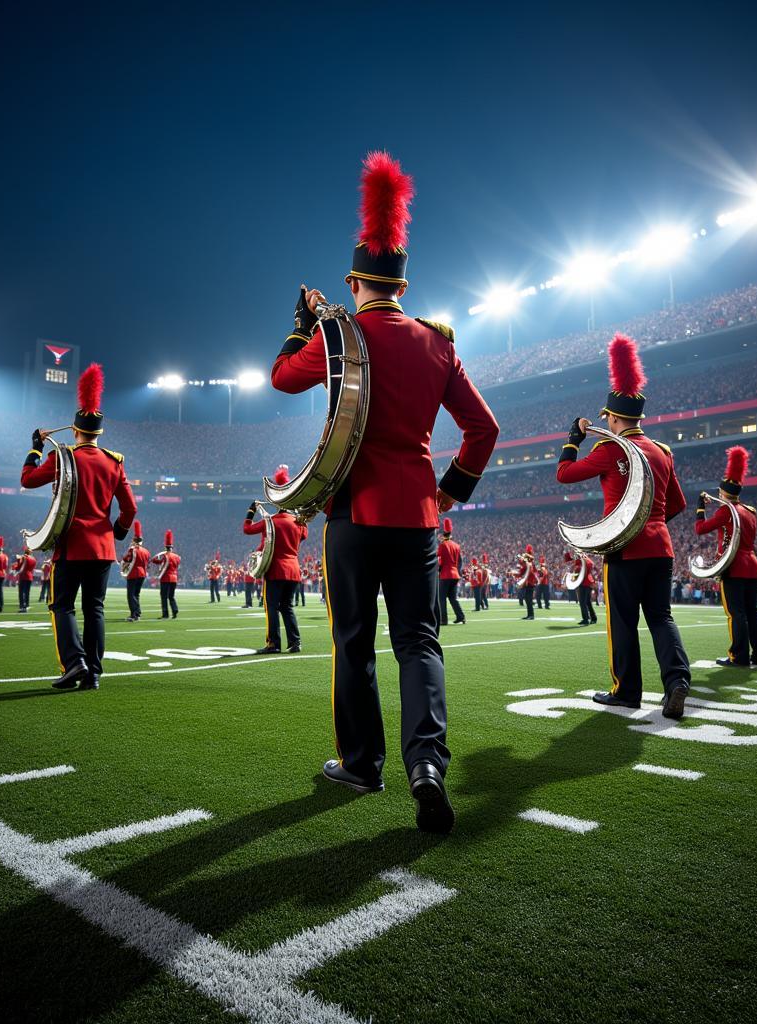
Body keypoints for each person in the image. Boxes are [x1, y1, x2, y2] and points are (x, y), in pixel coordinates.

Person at [271, 152, 498, 833]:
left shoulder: (342, 337)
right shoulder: (438, 343)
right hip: (418, 518)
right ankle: (427, 765)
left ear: (352, 281)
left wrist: (307, 325)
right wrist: (450, 492)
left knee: (353, 642)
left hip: (352, 515)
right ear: (402, 283)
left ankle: (363, 765)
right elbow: (484, 429)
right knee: (420, 644)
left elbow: (282, 377)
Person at [556, 334, 691, 719]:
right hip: (660, 547)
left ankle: (627, 691)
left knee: (623, 622)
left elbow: (564, 474)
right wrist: (651, 526)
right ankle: (677, 680)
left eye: (608, 419)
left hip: (624, 549)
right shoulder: (662, 452)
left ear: (614, 418)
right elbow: (677, 504)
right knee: (661, 617)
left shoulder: (610, 448)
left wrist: (573, 438)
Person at [21, 363, 137, 691]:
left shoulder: (63, 457)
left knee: (61, 605)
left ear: (74, 431)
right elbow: (130, 507)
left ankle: (75, 663)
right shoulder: (115, 462)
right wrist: (118, 530)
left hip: (71, 545)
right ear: (99, 433)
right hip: (102, 548)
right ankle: (94, 674)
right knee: (95, 609)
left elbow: (27, 480)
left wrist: (35, 447)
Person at [695, 446, 757, 667]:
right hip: (752, 565)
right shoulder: (750, 511)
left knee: (736, 613)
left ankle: (739, 656)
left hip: (734, 566)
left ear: (722, 493)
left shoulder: (726, 510)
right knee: (753, 612)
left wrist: (700, 509)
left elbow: (700, 529)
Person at [243, 470, 308, 653]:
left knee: (271, 606)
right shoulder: (298, 522)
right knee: (287, 606)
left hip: (276, 569)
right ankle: (295, 643)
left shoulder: (270, 521)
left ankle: (273, 644)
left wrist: (251, 511)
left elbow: (247, 529)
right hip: (294, 570)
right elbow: (304, 535)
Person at [437, 517, 465, 625]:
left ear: (442, 535)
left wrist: (438, 571)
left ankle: (443, 620)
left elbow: (440, 562)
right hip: (455, 574)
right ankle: (461, 617)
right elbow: (460, 561)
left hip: (445, 575)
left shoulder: (442, 545)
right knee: (453, 598)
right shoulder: (456, 546)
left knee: (442, 598)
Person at [122, 521, 149, 621]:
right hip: (142, 574)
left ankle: (134, 614)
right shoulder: (146, 551)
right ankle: (138, 612)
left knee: (131, 594)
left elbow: (126, 559)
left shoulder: (132, 549)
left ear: (134, 540)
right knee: (136, 594)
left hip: (133, 573)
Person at [154, 530, 181, 619]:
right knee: (171, 596)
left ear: (166, 548)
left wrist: (160, 554)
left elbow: (155, 560)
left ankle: (165, 614)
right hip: (174, 578)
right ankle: (174, 610)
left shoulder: (165, 556)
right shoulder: (177, 557)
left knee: (164, 597)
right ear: (172, 548)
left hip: (166, 578)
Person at [566, 551, 598, 624]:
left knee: (582, 602)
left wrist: (571, 577)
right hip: (589, 582)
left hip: (583, 584)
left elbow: (575, 577)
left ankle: (586, 619)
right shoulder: (588, 561)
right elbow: (592, 564)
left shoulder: (579, 566)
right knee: (588, 602)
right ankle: (593, 618)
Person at [516, 545, 538, 620]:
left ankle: (531, 615)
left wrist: (524, 557)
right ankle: (529, 615)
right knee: (527, 599)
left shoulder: (529, 565)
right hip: (527, 584)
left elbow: (530, 560)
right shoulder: (527, 565)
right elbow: (520, 573)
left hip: (530, 583)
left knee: (529, 599)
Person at [14, 545, 37, 613]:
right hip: (30, 576)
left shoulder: (24, 557)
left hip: (23, 576)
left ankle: (22, 607)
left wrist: (18, 560)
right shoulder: (34, 559)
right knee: (27, 592)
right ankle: (26, 605)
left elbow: (19, 566)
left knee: (21, 592)